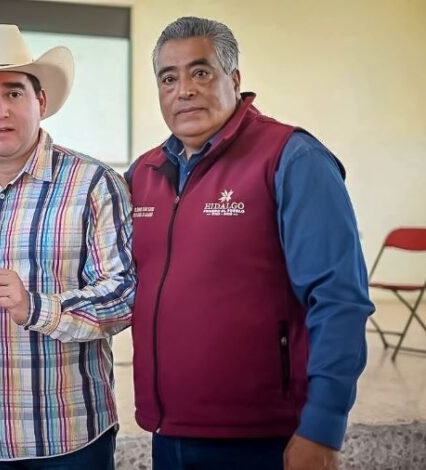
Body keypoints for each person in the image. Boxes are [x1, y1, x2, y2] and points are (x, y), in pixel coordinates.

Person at [127, 16, 375, 470]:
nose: (184, 90)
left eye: (200, 72)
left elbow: (339, 299)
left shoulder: (293, 158)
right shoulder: (142, 175)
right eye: (168, 78)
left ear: (234, 79)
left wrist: (322, 427)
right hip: (167, 432)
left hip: (264, 439)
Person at [0, 24, 135, 468]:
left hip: (70, 440)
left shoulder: (93, 184)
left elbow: (123, 296)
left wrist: (33, 307)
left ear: (40, 101)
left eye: (14, 93)